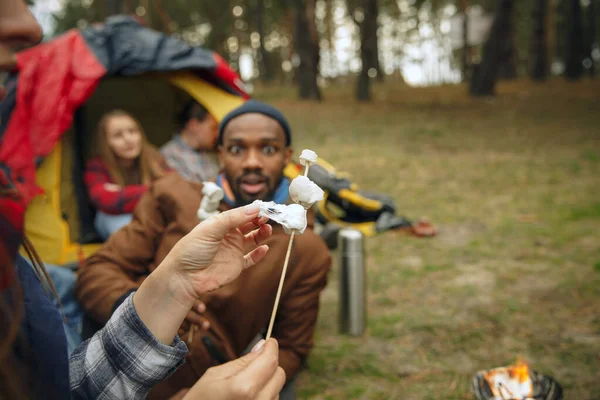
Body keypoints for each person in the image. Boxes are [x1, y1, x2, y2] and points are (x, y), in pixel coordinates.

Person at [1, 1, 286, 398]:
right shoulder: (158, 188)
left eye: (133, 132)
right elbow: (104, 210)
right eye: (237, 149)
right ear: (220, 154)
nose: (30, 27)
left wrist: (172, 287)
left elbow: (71, 390)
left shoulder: (297, 246)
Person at [76, 100, 332, 399]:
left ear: (287, 157)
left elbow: (292, 347)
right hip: (119, 372)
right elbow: (96, 271)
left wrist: (246, 386)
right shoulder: (172, 195)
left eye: (268, 149)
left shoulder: (303, 247)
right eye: (237, 149)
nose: (252, 162)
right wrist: (147, 304)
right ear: (220, 153)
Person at [84, 109, 170, 239]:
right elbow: (103, 199)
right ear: (106, 142)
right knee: (111, 217)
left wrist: (122, 193)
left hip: (150, 218)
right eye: (118, 135)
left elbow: (172, 187)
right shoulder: (97, 165)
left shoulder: (153, 157)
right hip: (119, 222)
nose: (128, 139)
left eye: (133, 131)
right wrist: (155, 192)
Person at [160, 99, 221, 183]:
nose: (217, 134)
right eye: (213, 128)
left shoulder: (209, 153)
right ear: (194, 126)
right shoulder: (169, 156)